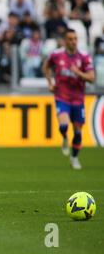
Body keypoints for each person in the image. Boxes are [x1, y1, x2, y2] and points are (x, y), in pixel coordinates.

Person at [42, 29, 95, 170]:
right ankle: (65, 137)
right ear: (65, 41)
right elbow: (46, 66)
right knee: (64, 125)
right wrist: (50, 82)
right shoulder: (56, 55)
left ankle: (75, 158)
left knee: (78, 132)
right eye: (70, 39)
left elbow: (91, 78)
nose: (73, 41)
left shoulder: (84, 57)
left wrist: (77, 72)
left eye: (75, 39)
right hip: (62, 97)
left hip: (78, 99)